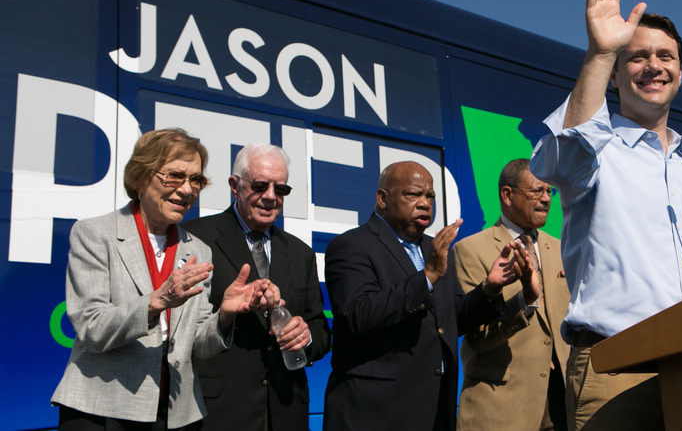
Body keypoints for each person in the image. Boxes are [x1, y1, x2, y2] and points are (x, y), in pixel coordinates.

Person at [529, 0, 682, 430]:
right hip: (617, 369)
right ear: (616, 77)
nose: (653, 67)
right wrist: (601, 52)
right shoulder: (597, 151)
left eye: (665, 57)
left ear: (680, 73)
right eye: (637, 56)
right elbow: (561, 158)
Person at [51, 128, 275, 430]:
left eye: (195, 180)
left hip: (175, 412)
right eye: (174, 176)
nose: (186, 190)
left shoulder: (197, 249)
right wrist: (155, 302)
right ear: (141, 177)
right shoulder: (95, 234)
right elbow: (92, 327)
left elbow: (196, 344)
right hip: (103, 408)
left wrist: (225, 315)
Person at [323, 161, 533, 431]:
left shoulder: (433, 248)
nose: (425, 203)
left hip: (434, 410)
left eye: (430, 196)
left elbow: (453, 318)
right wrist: (428, 276)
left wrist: (489, 288)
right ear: (383, 199)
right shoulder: (351, 245)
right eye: (413, 194)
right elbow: (359, 315)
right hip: (375, 414)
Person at [182, 143, 330, 431]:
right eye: (260, 186)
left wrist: (306, 337)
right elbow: (181, 329)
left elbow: (320, 328)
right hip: (219, 411)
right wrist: (227, 315)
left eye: (281, 189)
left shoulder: (301, 254)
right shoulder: (195, 239)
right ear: (234, 186)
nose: (271, 197)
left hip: (287, 411)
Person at [453, 159, 571, 431]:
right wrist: (525, 301)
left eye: (549, 191)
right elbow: (478, 338)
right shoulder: (470, 250)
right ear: (507, 195)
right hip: (501, 409)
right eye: (536, 191)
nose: (546, 199)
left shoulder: (562, 249)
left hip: (560, 408)